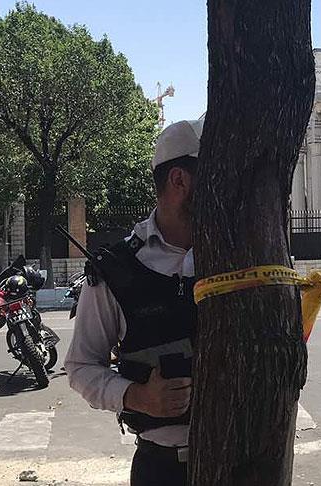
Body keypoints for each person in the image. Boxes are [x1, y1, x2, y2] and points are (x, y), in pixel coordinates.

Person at [65, 119, 203, 485]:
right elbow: (80, 366)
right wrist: (137, 397)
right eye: (214, 174)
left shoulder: (235, 256)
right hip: (163, 470)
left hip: (239, 462)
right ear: (179, 180)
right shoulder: (117, 269)